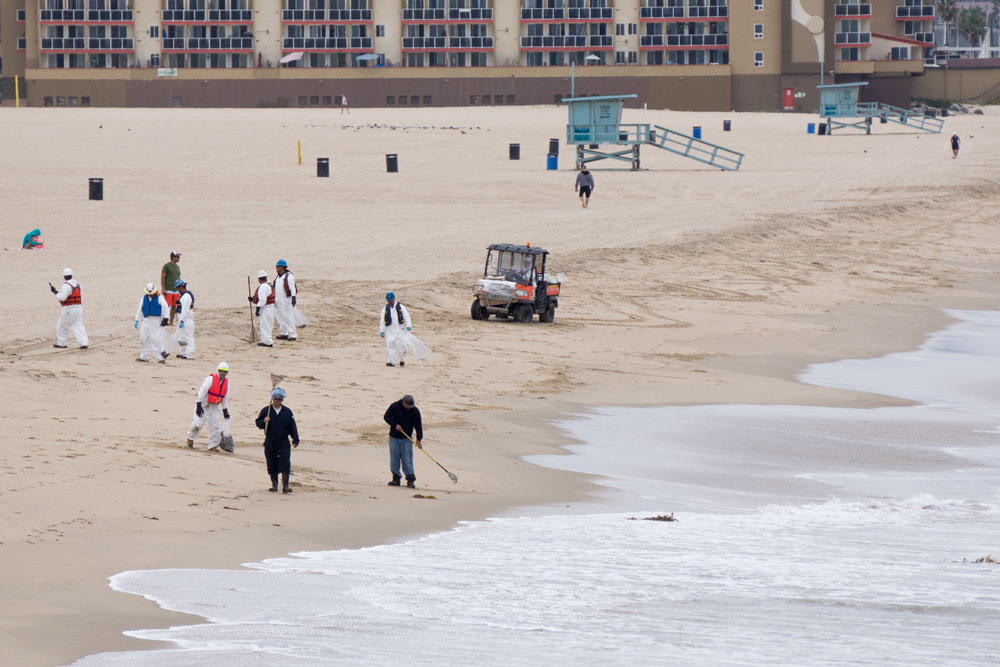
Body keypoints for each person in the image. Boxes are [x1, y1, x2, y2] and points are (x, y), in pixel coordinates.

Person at [256, 387, 299, 493]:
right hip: (270, 441)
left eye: (279, 399)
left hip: (283, 441)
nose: (277, 401)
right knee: (271, 463)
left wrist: (295, 439)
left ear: (282, 400)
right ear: (272, 399)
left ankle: (285, 486)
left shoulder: (287, 412)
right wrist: (264, 421)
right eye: (275, 398)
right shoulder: (266, 410)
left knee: (285, 463)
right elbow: (258, 423)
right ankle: (274, 485)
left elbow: (292, 427)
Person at [186, 362, 231, 452]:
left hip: (214, 406)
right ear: (218, 371)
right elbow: (202, 391)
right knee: (197, 424)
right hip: (203, 404)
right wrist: (198, 404)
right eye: (221, 371)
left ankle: (213, 445)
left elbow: (225, 398)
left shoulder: (226, 384)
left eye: (225, 372)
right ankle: (190, 438)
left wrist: (225, 410)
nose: (223, 373)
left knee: (216, 426)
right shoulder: (209, 379)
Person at [383, 394, 423, 488]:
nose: (409, 408)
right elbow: (386, 417)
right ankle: (396, 479)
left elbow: (418, 426)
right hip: (394, 437)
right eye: (408, 405)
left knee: (407, 459)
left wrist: (419, 439)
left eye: (411, 406)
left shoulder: (415, 411)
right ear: (403, 403)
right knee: (394, 459)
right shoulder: (395, 406)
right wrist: (395, 425)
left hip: (407, 439)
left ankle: (410, 480)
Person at [50, 267, 88, 349]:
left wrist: (55, 292)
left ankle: (62, 343)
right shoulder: (78, 285)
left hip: (69, 309)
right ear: (71, 275)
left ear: (64, 276)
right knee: (78, 325)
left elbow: (62, 298)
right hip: (78, 308)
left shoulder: (65, 286)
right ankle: (84, 343)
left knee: (61, 326)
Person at [134, 283, 170, 363]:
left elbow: (165, 308)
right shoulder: (144, 298)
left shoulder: (159, 298)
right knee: (144, 337)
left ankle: (160, 357)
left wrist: (166, 318)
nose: (150, 295)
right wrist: (137, 319)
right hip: (146, 320)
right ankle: (144, 357)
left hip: (155, 320)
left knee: (155, 339)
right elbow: (140, 309)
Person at [379, 291, 412, 367]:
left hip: (399, 329)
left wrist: (408, 325)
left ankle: (402, 359)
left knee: (402, 346)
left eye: (391, 300)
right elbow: (382, 321)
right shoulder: (385, 310)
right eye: (388, 301)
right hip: (389, 330)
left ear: (394, 299)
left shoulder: (401, 308)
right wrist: (382, 330)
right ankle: (391, 361)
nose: (390, 302)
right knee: (390, 345)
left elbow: (407, 317)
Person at [248, 270, 274, 347]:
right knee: (268, 325)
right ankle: (266, 340)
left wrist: (257, 309)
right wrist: (252, 299)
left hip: (265, 308)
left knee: (264, 325)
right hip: (271, 308)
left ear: (259, 279)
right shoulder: (269, 285)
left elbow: (262, 300)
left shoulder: (263, 287)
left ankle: (267, 342)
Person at [273, 259, 297, 341]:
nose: (276, 268)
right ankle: (284, 333)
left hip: (286, 300)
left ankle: (293, 334)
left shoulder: (289, 276)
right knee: (280, 317)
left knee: (288, 317)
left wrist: (293, 297)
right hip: (278, 301)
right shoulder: (278, 276)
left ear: (282, 267)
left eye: (278, 266)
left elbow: (292, 287)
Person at [175, 279, 195, 359]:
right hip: (183, 319)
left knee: (189, 337)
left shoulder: (186, 296)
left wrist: (182, 320)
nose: (177, 290)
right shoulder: (183, 295)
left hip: (186, 319)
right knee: (182, 337)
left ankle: (190, 354)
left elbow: (185, 309)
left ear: (181, 287)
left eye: (177, 288)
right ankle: (183, 353)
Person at [161, 252, 182, 325]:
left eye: (179, 257)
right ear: (172, 257)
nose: (178, 258)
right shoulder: (166, 266)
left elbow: (179, 277)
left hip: (176, 290)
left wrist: (181, 288)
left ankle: (171, 322)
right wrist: (163, 288)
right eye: (177, 257)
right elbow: (162, 277)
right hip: (168, 289)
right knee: (166, 306)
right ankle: (164, 321)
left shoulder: (177, 267)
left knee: (174, 306)